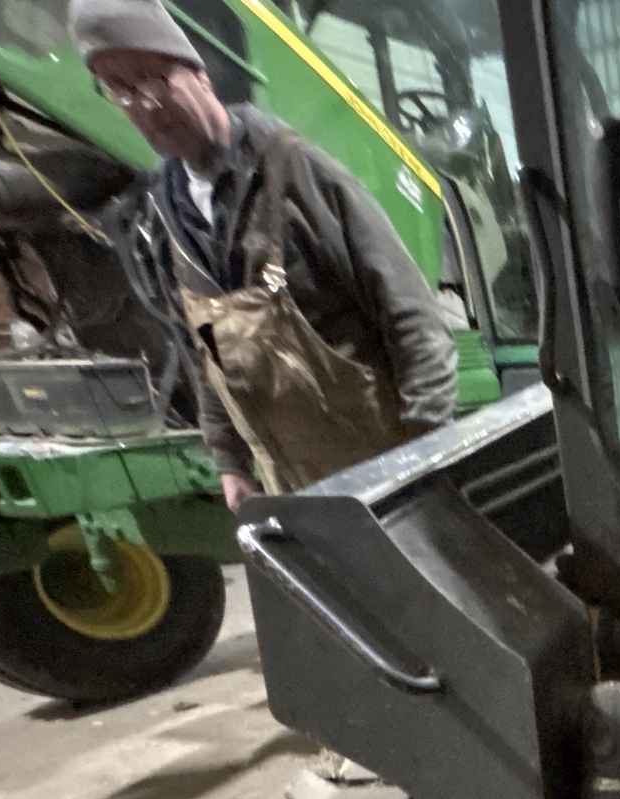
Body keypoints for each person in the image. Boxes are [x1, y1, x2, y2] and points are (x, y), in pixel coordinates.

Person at [69, 0, 458, 507]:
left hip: (385, 470)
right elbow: (203, 349)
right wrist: (229, 461)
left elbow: (412, 316)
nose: (143, 104)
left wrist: (428, 455)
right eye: (120, 90)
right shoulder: (163, 211)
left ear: (199, 73)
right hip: (292, 485)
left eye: (153, 79)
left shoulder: (297, 172)